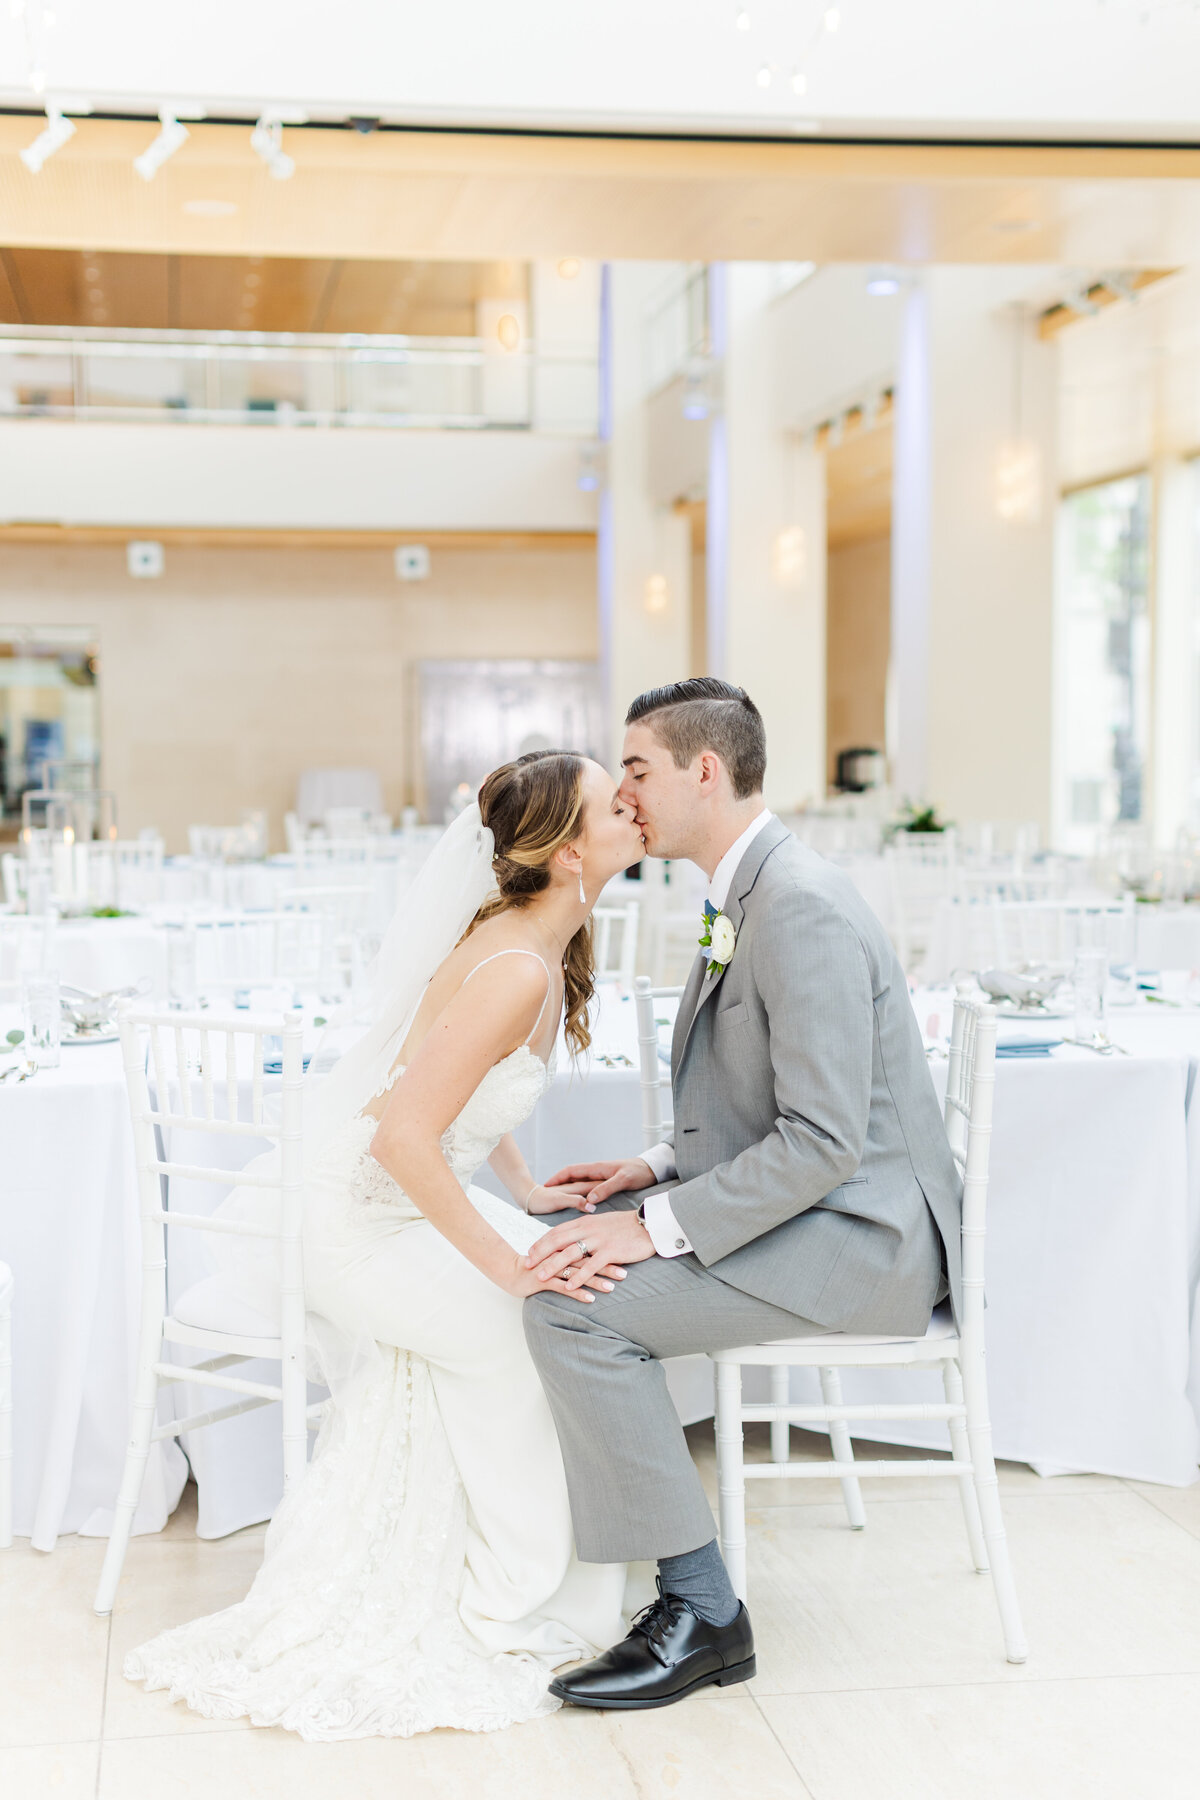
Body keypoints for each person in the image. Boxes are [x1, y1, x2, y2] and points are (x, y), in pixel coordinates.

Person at [124, 750, 648, 1740]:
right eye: (616, 804)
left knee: (570, 1303)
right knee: (530, 1335)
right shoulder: (514, 964)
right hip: (360, 1221)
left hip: (403, 1197)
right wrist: (511, 1265)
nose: (636, 811)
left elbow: (451, 1088)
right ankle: (508, 1600)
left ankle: (499, 1564)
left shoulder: (537, 937)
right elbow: (406, 1135)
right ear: (570, 849)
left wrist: (528, 1193)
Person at [523, 677, 963, 1711]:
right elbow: (763, 1099)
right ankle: (637, 1574)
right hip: (823, 1210)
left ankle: (702, 1611)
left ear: (703, 771)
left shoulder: (797, 904)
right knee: (565, 1241)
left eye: (637, 768)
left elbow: (819, 1142)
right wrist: (656, 1171)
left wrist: (652, 1231)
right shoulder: (749, 890)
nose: (624, 793)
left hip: (863, 1240)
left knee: (571, 1312)